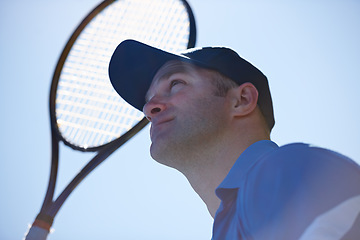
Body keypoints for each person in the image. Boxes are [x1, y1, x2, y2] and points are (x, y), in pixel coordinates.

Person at [108, 39, 360, 239]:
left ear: (242, 100)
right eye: (148, 99)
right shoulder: (235, 222)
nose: (149, 107)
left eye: (175, 84)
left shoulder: (286, 168)